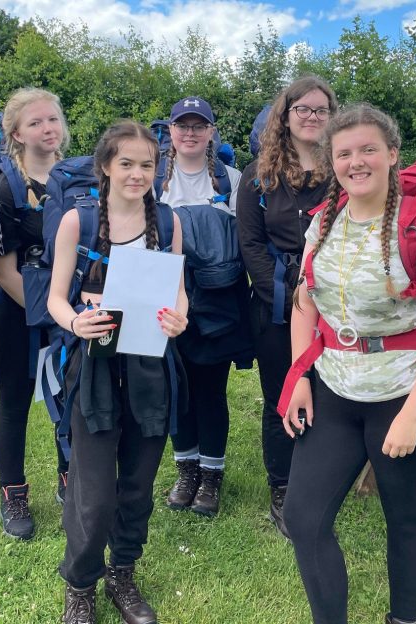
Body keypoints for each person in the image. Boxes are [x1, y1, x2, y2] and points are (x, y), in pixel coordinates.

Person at [281, 104, 416, 624]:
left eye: (368, 150)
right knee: (303, 517)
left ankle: (402, 619)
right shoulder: (323, 222)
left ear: (392, 154)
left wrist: (414, 415)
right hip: (334, 392)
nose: (355, 162)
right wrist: (298, 378)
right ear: (332, 161)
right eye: (344, 153)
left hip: (405, 394)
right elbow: (305, 302)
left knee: (405, 519)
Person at [47, 121, 189, 624]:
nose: (137, 174)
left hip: (151, 364)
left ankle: (122, 573)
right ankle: (81, 583)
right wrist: (76, 322)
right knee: (94, 492)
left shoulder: (167, 221)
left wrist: (180, 317)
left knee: (138, 482)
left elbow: (177, 291)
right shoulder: (77, 222)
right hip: (96, 366)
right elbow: (55, 300)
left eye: (147, 164)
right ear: (105, 167)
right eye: (126, 163)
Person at [236, 76, 338, 538]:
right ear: (287, 114)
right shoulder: (258, 174)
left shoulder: (342, 168)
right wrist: (283, 289)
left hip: (337, 301)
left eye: (321, 110)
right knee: (284, 390)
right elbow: (251, 243)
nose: (313, 117)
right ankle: (283, 485)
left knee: (329, 392)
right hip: (275, 303)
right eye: (304, 109)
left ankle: (318, 479)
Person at [159, 96, 253, 517]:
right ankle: (186, 469)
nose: (191, 133)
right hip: (167, 296)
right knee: (177, 388)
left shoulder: (232, 180)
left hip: (218, 302)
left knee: (211, 391)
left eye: (200, 126)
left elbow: (248, 244)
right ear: (172, 132)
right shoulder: (156, 179)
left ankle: (211, 475)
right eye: (183, 125)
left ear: (212, 132)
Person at [0, 88, 71, 540]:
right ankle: (13, 493)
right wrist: (53, 316)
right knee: (16, 401)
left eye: (53, 120)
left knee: (70, 397)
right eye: (36, 122)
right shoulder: (5, 186)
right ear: (16, 133)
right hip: (17, 309)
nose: (47, 129)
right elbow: (3, 272)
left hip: (68, 311)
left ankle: (68, 476)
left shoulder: (78, 179)